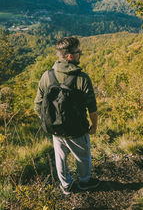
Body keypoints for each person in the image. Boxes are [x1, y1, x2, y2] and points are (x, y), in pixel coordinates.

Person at [34, 37, 99, 195]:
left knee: (60, 157)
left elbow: (37, 105)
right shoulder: (82, 78)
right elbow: (92, 108)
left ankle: (66, 185)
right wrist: (94, 126)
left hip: (55, 130)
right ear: (69, 56)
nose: (80, 54)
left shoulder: (46, 76)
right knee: (83, 157)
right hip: (77, 129)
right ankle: (84, 182)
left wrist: (50, 121)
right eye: (78, 52)